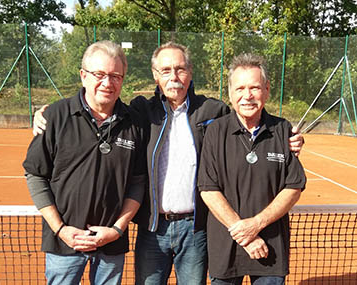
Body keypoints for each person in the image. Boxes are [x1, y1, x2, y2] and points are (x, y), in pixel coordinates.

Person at [33, 43, 305, 284]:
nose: (174, 77)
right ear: (155, 75)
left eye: (180, 69)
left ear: (190, 73)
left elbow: (246, 111)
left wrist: (288, 138)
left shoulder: (213, 111)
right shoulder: (140, 111)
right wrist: (45, 113)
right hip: (153, 229)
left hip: (195, 229)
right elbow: (100, 106)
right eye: (165, 70)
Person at [23, 40, 146, 285]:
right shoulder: (55, 116)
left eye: (115, 75)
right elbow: (35, 175)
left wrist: (117, 230)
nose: (107, 83)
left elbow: (138, 182)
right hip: (64, 244)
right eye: (99, 74)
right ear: (83, 75)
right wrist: (60, 229)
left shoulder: (135, 122)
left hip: (111, 245)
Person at [197, 53, 307, 285]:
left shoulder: (283, 130)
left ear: (266, 90)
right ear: (230, 93)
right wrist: (245, 236)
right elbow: (208, 189)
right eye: (240, 89)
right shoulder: (215, 132)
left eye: (255, 88)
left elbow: (293, 187)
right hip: (225, 249)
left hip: (271, 249)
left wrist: (255, 225)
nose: (247, 96)